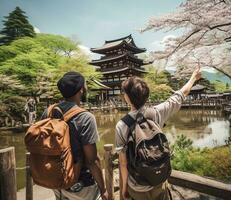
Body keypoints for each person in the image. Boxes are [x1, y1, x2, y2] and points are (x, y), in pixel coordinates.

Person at [115, 66, 201, 200]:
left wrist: (124, 189)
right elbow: (180, 94)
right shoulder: (157, 113)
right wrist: (193, 78)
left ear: (127, 97)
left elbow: (123, 163)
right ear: (146, 95)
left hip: (137, 187)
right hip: (159, 180)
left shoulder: (122, 125)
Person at [41, 71, 109, 200]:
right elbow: (92, 160)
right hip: (82, 184)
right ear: (81, 89)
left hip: (57, 180)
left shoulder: (48, 112)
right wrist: (103, 188)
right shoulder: (85, 117)